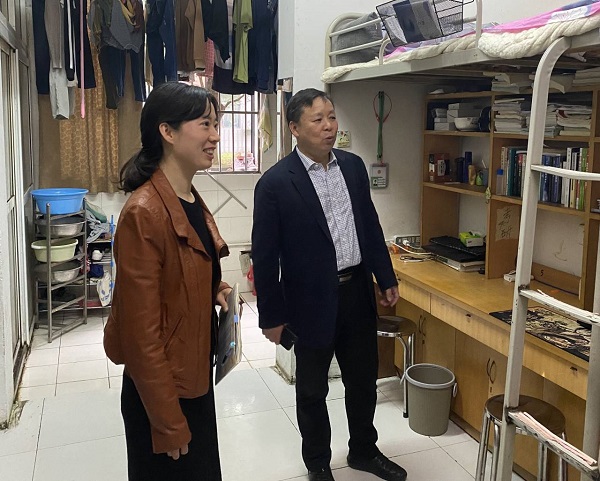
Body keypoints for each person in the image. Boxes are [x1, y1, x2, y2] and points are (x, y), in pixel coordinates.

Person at [251, 88, 407, 481]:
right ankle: (318, 462)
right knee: (312, 390)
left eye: (332, 117)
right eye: (317, 119)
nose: (329, 127)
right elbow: (265, 258)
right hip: (308, 301)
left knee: (363, 381)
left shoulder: (353, 167)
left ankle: (364, 450)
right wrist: (270, 316)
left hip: (356, 292)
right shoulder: (275, 183)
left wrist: (385, 276)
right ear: (294, 128)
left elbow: (369, 226)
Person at [103, 81, 231, 481]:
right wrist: (167, 421)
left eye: (216, 124)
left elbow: (178, 274)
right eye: (205, 124)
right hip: (162, 394)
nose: (215, 136)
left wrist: (214, 288)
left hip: (192, 380)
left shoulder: (187, 197)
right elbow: (140, 336)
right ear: (168, 131)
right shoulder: (144, 212)